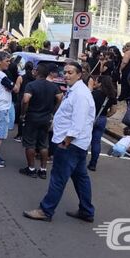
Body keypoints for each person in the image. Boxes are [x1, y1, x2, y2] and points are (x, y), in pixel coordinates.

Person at [23, 62, 95, 223]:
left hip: (71, 144)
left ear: (79, 74)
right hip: (74, 143)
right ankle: (86, 210)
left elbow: (78, 121)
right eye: (66, 72)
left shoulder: (80, 95)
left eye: (71, 73)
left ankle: (46, 210)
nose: (67, 75)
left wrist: (66, 141)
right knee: (80, 178)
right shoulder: (74, 91)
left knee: (58, 178)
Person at [19, 63, 62, 179]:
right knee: (44, 144)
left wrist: (23, 113)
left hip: (32, 117)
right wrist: (53, 111)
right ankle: (43, 170)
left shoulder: (31, 85)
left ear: (37, 72)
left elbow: (26, 99)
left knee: (30, 143)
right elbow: (60, 97)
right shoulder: (53, 86)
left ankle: (31, 168)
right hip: (46, 118)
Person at [87, 75, 118, 171]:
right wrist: (106, 115)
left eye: (96, 81)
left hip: (90, 118)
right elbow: (113, 110)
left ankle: (80, 161)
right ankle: (93, 164)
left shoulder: (93, 94)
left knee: (85, 140)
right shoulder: (111, 96)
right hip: (102, 118)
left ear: (100, 83)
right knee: (96, 142)